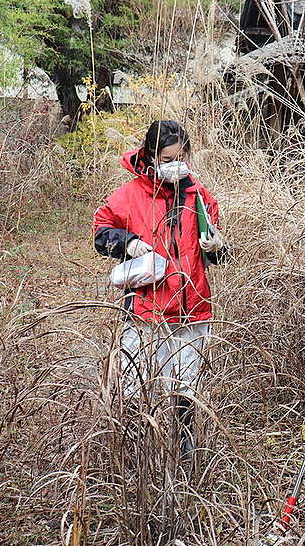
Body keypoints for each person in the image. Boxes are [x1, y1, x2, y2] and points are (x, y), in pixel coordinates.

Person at [92, 120, 226, 460]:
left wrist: (215, 246)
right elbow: (101, 232)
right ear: (151, 157)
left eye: (183, 156)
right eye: (168, 158)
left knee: (186, 386)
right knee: (135, 386)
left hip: (191, 307)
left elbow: (217, 253)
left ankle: (184, 452)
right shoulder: (129, 195)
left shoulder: (199, 195)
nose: (176, 164)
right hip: (144, 311)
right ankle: (135, 454)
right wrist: (128, 242)